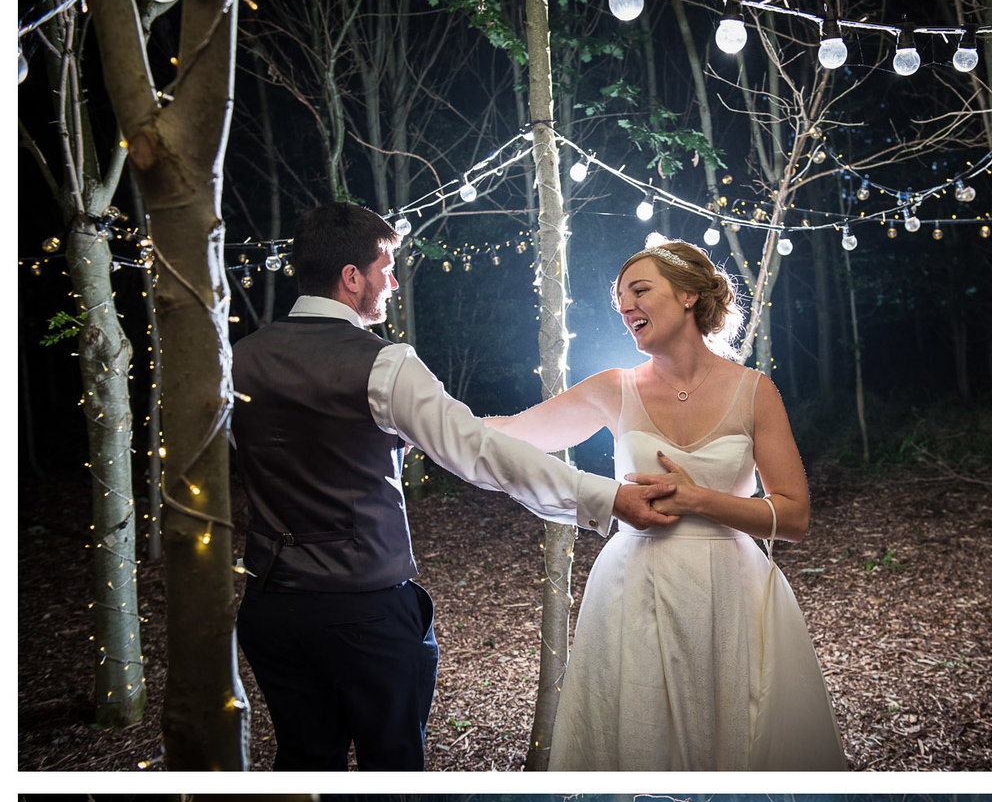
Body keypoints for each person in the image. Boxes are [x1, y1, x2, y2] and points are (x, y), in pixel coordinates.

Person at [230, 202, 682, 769]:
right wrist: (607, 497)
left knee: (303, 761)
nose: (392, 282)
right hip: (364, 612)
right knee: (391, 771)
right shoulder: (385, 366)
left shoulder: (236, 360)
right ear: (351, 278)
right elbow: (481, 455)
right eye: (385, 267)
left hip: (270, 610)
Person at [482, 242, 851, 770]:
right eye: (619, 300)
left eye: (639, 289)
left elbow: (793, 518)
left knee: (734, 738)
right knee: (636, 735)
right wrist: (419, 425)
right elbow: (514, 432)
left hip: (731, 589)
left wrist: (699, 498)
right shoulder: (616, 388)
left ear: (687, 295)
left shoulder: (754, 392)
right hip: (634, 584)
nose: (626, 306)